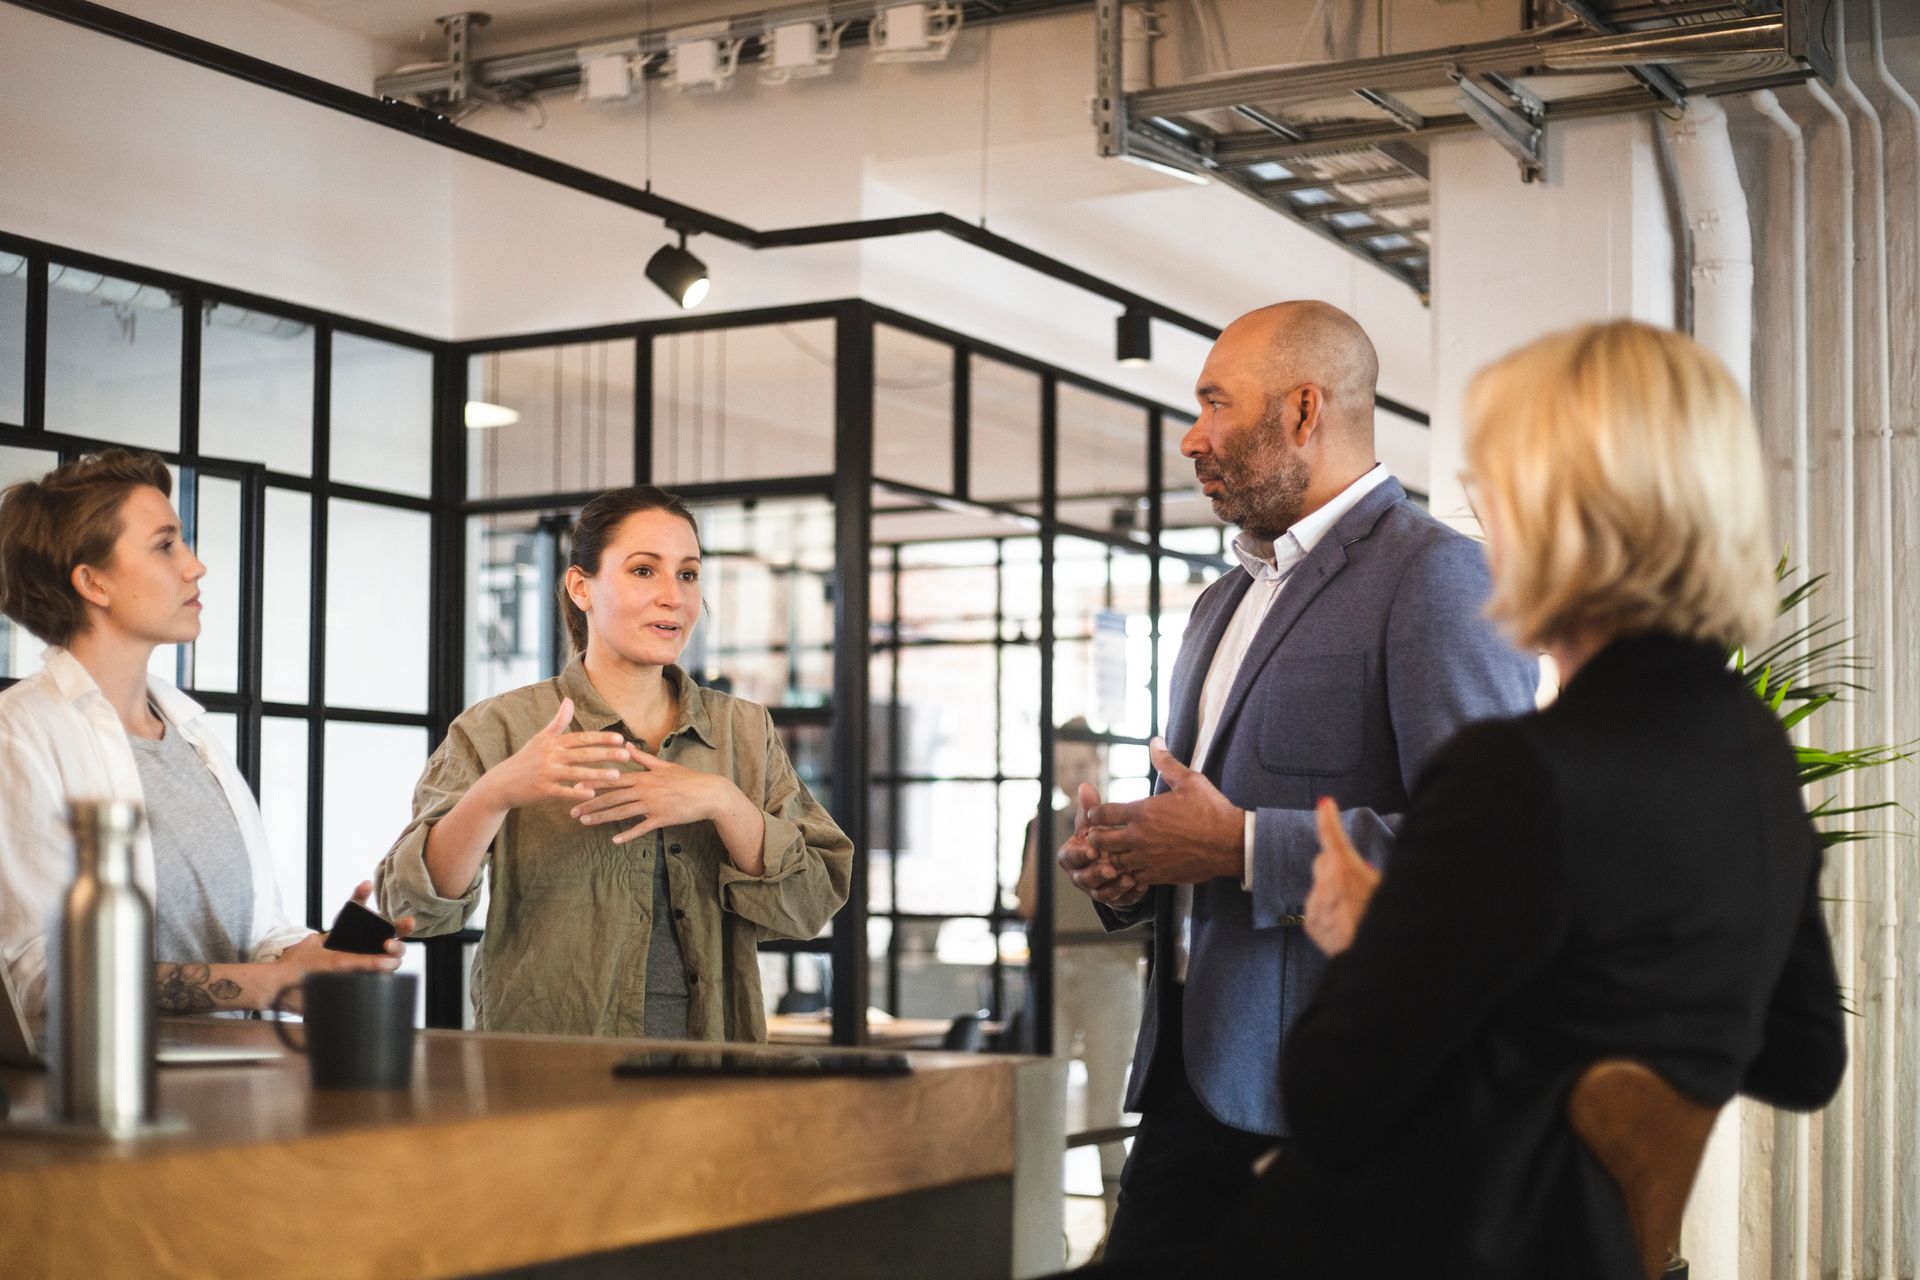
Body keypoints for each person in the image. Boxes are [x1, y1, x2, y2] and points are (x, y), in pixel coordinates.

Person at [1212, 320, 1848, 1277]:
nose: (1484, 521)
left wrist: (1364, 939)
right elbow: (1801, 1060)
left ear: (1560, 514)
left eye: (1494, 490)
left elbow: (1331, 1104)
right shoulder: (1753, 751)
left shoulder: (1517, 775)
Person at [1057, 301, 1539, 1259]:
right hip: (1186, 1085)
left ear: (1304, 411)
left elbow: (1493, 857)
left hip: (1333, 1103)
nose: (1192, 438)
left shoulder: (1438, 578)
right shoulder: (1217, 604)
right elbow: (1196, 818)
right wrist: (1134, 862)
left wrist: (1237, 846)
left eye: (1214, 406)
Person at [376, 485, 852, 1039]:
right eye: (644, 571)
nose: (673, 596)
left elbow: (810, 905)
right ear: (581, 586)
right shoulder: (499, 727)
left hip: (713, 1076)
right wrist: (496, 793)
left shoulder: (743, 730)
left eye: (689, 574)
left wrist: (723, 802)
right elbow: (409, 907)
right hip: (549, 1077)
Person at [0, 448, 409, 1020]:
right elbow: (40, 979)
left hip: (237, 1085)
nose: (195, 566)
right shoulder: (20, 734)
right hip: (106, 1095)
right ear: (93, 582)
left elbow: (257, 934)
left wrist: (319, 955)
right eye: (166, 545)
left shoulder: (191, 733)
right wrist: (271, 984)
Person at [1013, 718, 1147, 1218]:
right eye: (1062, 767)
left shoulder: (1126, 823)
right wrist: (1042, 834)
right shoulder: (1042, 824)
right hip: (1054, 973)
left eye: (1081, 765)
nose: (1071, 777)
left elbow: (1140, 909)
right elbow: (1028, 903)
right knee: (1044, 1109)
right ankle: (1045, 1231)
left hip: (1108, 974)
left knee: (1103, 1112)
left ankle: (1117, 1227)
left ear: (1101, 763)